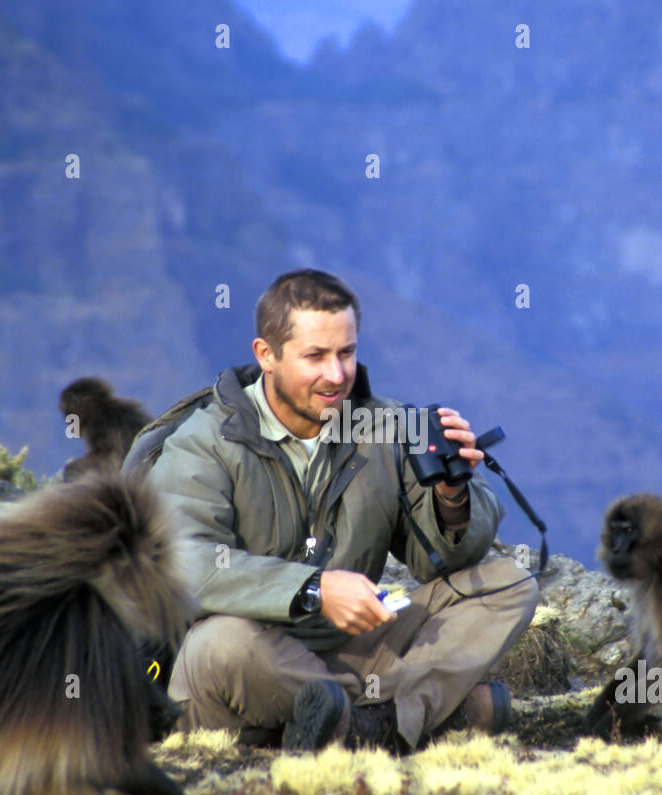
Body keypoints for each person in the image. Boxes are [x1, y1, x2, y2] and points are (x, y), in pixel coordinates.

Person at [145, 269, 539, 753]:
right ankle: (404, 720)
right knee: (221, 643)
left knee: (508, 583)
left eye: (346, 353)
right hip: (245, 666)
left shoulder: (385, 428)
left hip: (349, 652)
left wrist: (452, 496)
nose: (336, 375)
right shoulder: (203, 442)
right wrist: (311, 590)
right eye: (315, 356)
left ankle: (349, 725)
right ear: (266, 355)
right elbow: (183, 565)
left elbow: (439, 561)